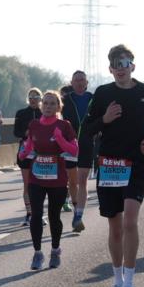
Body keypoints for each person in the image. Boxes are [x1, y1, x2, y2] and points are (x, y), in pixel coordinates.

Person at [80, 44, 144, 287]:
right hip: (110, 164)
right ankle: (116, 283)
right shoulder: (103, 93)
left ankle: (130, 285)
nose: (121, 68)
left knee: (130, 221)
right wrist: (105, 118)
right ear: (110, 68)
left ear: (132, 66)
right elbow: (86, 131)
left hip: (135, 163)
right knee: (115, 227)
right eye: (116, 64)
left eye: (125, 63)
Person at [17, 90, 78, 269]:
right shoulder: (34, 124)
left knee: (54, 216)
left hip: (57, 178)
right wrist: (24, 152)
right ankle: (37, 253)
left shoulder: (64, 125)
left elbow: (74, 150)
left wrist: (60, 139)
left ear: (59, 107)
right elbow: (29, 144)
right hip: (37, 177)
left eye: (53, 103)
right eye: (46, 103)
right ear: (41, 105)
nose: (48, 106)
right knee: (36, 215)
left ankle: (55, 250)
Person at [63, 71, 94, 230]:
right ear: (72, 83)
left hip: (87, 144)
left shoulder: (93, 99)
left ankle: (78, 215)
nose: (80, 83)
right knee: (72, 181)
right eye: (76, 80)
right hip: (69, 145)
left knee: (82, 180)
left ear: (87, 82)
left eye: (82, 80)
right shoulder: (65, 101)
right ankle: (76, 208)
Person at [13, 88, 43, 226]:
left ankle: (39, 214)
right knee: (28, 184)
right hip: (25, 151)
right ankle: (29, 213)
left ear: (40, 99)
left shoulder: (44, 113)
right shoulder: (21, 113)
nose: (33, 99)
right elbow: (15, 132)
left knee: (40, 185)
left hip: (42, 152)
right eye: (30, 97)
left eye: (36, 96)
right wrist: (25, 133)